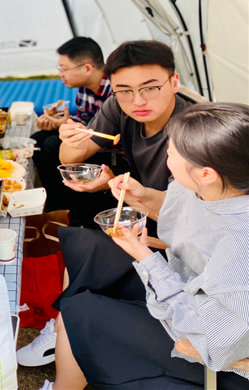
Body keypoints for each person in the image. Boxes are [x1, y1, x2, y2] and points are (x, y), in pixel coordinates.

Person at [42, 103, 249, 389]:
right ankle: (65, 343)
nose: (167, 153)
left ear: (205, 173)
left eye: (171, 151)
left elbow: (212, 338)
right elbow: (180, 214)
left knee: (80, 312)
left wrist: (146, 258)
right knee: (85, 247)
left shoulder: (239, 246)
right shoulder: (214, 187)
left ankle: (68, 363)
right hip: (183, 283)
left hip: (202, 343)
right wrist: (136, 193)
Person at [57, 40, 195, 228]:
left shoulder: (195, 129)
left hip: (183, 223)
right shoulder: (117, 105)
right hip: (147, 205)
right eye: (124, 90)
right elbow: (68, 161)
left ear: (174, 82)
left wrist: (114, 184)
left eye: (150, 88)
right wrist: (74, 144)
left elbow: (184, 213)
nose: (138, 101)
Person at [31, 37, 114, 213]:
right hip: (91, 137)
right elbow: (86, 120)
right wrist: (63, 124)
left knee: (52, 145)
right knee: (37, 139)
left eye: (64, 69)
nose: (61, 74)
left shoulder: (114, 91)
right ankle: (54, 200)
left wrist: (68, 127)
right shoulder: (85, 88)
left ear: (87, 68)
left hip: (110, 148)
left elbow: (106, 133)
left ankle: (70, 206)